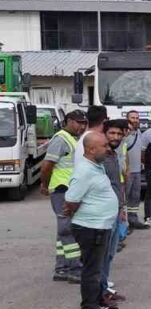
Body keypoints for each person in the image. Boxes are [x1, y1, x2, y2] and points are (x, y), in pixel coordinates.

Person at [63, 132, 119, 309]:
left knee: (98, 267)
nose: (108, 148)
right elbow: (71, 200)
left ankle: (97, 301)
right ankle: (88, 308)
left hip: (100, 226)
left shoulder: (97, 166)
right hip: (90, 227)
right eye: (104, 146)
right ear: (91, 149)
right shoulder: (84, 171)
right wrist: (79, 210)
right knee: (91, 270)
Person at [40, 109, 87, 282]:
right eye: (78, 122)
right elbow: (47, 165)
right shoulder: (61, 138)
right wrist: (44, 185)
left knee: (63, 231)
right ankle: (75, 269)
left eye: (83, 123)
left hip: (70, 189)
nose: (81, 126)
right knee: (68, 230)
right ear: (68, 121)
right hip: (61, 189)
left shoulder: (74, 139)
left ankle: (61, 268)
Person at [97, 120, 128, 309]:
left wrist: (122, 207)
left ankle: (104, 288)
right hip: (103, 213)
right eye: (112, 133)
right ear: (104, 133)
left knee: (109, 254)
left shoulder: (114, 154)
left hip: (116, 210)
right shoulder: (100, 156)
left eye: (119, 134)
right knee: (101, 255)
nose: (116, 137)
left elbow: (118, 184)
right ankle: (98, 295)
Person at [122, 110, 147, 230]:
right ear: (128, 119)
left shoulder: (139, 132)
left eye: (137, 118)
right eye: (133, 117)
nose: (135, 120)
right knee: (124, 198)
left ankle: (133, 219)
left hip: (137, 171)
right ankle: (123, 222)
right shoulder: (123, 134)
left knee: (135, 197)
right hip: (126, 172)